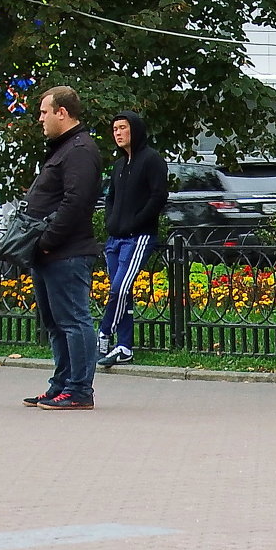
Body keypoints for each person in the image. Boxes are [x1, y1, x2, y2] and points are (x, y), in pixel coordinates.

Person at [21, 85, 103, 410]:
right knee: (55, 323)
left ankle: (80, 390)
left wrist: (46, 241)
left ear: (62, 113)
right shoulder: (63, 148)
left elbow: (76, 202)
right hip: (49, 252)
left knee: (74, 321)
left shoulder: (79, 149)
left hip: (65, 252)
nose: (40, 118)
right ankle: (61, 385)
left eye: (44, 112)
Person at [97, 111, 169, 367]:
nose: (117, 133)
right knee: (122, 294)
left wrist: (136, 221)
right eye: (114, 128)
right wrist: (111, 221)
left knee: (119, 288)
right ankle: (124, 346)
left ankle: (104, 333)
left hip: (138, 237)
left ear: (134, 130)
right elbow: (110, 198)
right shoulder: (118, 165)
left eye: (122, 128)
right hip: (115, 239)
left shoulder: (152, 160)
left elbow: (158, 196)